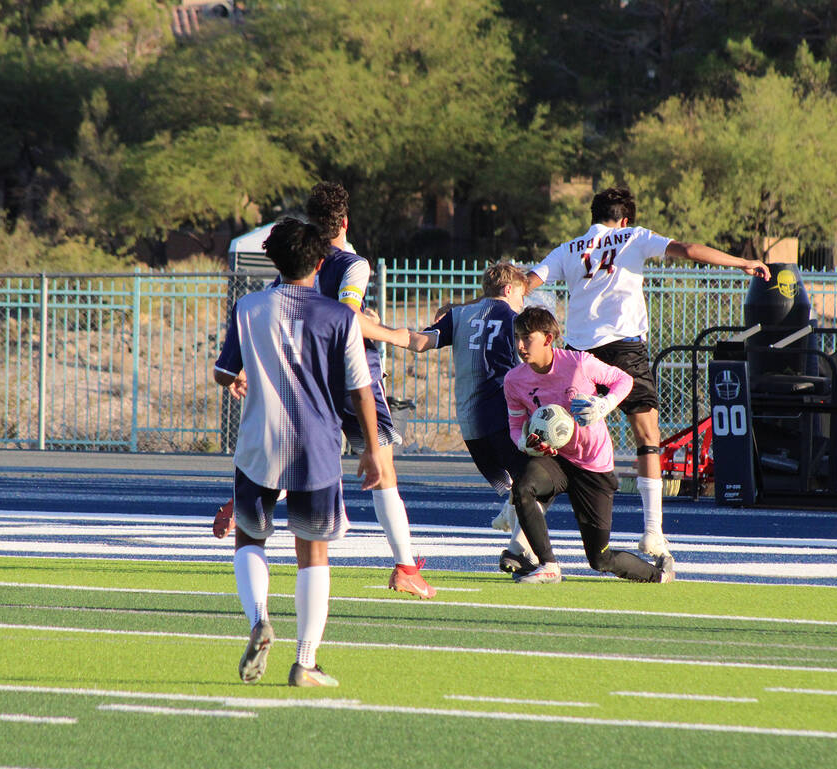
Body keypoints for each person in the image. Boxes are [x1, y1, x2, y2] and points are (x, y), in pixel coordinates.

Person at [525, 186, 771, 568]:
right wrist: (742, 263)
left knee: (560, 437)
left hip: (577, 354)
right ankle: (653, 532)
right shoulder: (634, 237)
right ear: (625, 220)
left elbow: (528, 282)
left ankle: (520, 535)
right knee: (647, 437)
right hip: (624, 350)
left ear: (593, 215)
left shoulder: (567, 249)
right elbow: (689, 250)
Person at [216, 181, 435, 599]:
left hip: (301, 377)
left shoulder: (292, 263)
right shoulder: (352, 264)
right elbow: (349, 318)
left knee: (297, 451)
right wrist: (400, 336)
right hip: (353, 376)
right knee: (383, 469)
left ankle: (239, 505)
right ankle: (406, 567)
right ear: (346, 221)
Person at [213, 217, 381, 688]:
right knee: (313, 552)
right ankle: (305, 662)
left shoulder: (247, 306)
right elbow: (361, 390)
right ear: (321, 262)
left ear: (273, 260)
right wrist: (369, 448)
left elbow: (224, 372)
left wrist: (237, 379)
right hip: (317, 445)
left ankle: (259, 618)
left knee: (250, 538)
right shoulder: (340, 317)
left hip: (258, 444)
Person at [503, 306, 673, 584]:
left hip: (593, 464)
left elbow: (624, 379)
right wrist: (523, 442)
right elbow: (514, 425)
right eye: (517, 337)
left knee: (600, 558)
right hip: (555, 460)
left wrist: (604, 405)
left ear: (548, 338)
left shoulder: (579, 363)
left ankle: (660, 574)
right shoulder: (514, 380)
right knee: (523, 487)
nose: (520, 346)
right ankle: (548, 566)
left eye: (527, 338)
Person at [401, 261, 538, 574]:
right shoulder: (517, 319)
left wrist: (378, 331)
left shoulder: (459, 315)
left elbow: (420, 342)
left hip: (471, 425)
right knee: (541, 478)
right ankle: (520, 549)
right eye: (521, 293)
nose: (522, 300)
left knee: (519, 485)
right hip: (506, 417)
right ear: (508, 289)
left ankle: (518, 534)